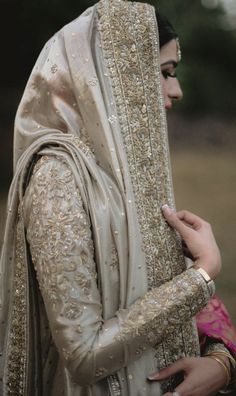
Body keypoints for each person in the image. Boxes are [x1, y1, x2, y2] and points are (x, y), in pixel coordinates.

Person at [0, 0, 235, 395]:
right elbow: (85, 354)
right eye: (164, 73)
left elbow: (164, 297)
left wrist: (221, 363)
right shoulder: (58, 177)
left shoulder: (130, 174)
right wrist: (204, 272)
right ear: (112, 76)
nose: (175, 91)